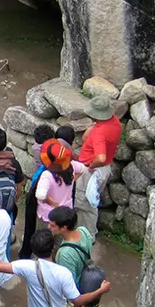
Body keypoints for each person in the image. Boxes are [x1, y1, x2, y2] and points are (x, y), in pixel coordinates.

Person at [0, 230, 111, 307]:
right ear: (53, 248)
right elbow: (77, 301)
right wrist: (101, 290)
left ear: (34, 250)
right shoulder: (63, 273)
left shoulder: (28, 266)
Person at [75, 96, 122, 238]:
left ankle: (87, 236)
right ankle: (84, 232)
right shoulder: (114, 121)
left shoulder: (100, 133)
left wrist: (90, 166)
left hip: (93, 170)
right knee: (90, 201)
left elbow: (100, 157)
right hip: (104, 168)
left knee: (85, 203)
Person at [20, 124, 58, 259]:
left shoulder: (36, 148)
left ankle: (26, 251)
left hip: (37, 182)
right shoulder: (51, 154)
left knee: (31, 219)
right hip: (42, 185)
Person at [35, 139, 85, 230]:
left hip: (49, 217)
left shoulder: (47, 175)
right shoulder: (72, 166)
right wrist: (73, 180)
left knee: (44, 240)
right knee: (60, 242)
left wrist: (50, 201)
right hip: (65, 214)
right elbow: (83, 168)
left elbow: (40, 195)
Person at [47, 206, 94, 284]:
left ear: (64, 228)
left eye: (52, 225)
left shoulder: (64, 254)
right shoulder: (83, 230)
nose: (48, 227)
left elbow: (69, 283)